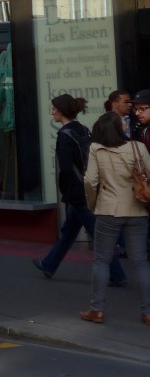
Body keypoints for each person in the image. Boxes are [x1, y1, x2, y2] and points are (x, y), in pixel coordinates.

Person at [33, 96, 125, 285]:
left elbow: (66, 168)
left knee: (96, 233)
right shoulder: (83, 129)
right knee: (69, 231)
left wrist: (65, 190)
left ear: (61, 111)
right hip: (88, 186)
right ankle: (49, 264)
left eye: (54, 109)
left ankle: (118, 275)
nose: (52, 112)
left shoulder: (64, 135)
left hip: (78, 192)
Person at [80, 111, 150, 325]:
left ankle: (97, 310)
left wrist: (93, 204)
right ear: (119, 128)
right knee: (140, 262)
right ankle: (148, 312)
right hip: (137, 209)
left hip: (108, 209)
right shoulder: (138, 147)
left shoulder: (96, 149)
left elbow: (90, 181)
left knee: (101, 260)